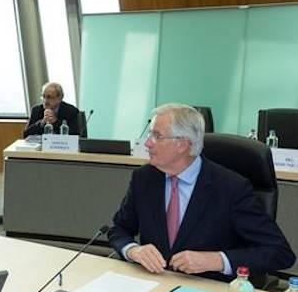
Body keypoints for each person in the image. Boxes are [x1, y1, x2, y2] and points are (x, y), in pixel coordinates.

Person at [108, 103, 295, 282]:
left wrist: (216, 260)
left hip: (207, 289)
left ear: (182, 144)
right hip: (153, 282)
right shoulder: (144, 178)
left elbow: (279, 252)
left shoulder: (231, 188)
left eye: (157, 136)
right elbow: (119, 229)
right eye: (150, 134)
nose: (148, 143)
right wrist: (133, 250)